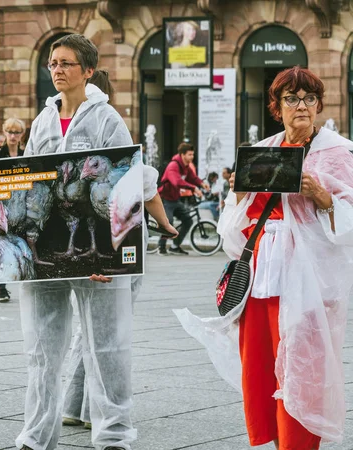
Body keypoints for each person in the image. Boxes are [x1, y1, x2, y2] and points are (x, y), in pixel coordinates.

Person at [0, 33, 139, 450]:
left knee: (106, 348)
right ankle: (35, 435)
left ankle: (113, 436)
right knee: (42, 349)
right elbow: (24, 186)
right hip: (46, 250)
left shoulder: (107, 120)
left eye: (66, 63)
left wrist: (116, 256)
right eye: (52, 63)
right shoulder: (44, 121)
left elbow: (125, 186)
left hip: (97, 253)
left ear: (87, 71)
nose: (57, 70)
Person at [176, 66, 353, 450]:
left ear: (319, 104)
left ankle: (298, 445)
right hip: (259, 280)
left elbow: (350, 221)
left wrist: (322, 197)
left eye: (308, 98)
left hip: (306, 282)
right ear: (278, 107)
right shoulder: (263, 151)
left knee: (300, 370)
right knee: (260, 369)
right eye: (291, 98)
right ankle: (276, 441)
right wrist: (238, 195)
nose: (301, 106)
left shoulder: (338, 153)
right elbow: (232, 226)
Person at [61, 69, 177, 432]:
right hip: (124, 245)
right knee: (108, 329)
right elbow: (148, 190)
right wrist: (169, 227)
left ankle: (74, 404)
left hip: (91, 240)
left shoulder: (80, 148)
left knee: (88, 326)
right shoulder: (115, 140)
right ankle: (95, 410)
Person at [0, 118, 26, 302]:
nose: (12, 136)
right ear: (4, 132)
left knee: (17, 243)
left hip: (18, 202)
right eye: (10, 132)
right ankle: (0, 286)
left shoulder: (26, 153)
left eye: (16, 132)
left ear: (21, 135)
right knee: (0, 244)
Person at [157, 142, 208, 255]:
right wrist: (194, 189)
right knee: (168, 222)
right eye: (189, 154)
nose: (192, 157)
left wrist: (202, 183)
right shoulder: (173, 166)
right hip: (165, 200)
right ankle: (161, 246)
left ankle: (175, 246)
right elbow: (176, 182)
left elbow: (193, 178)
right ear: (182, 154)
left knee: (188, 220)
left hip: (175, 200)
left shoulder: (185, 167)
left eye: (192, 154)